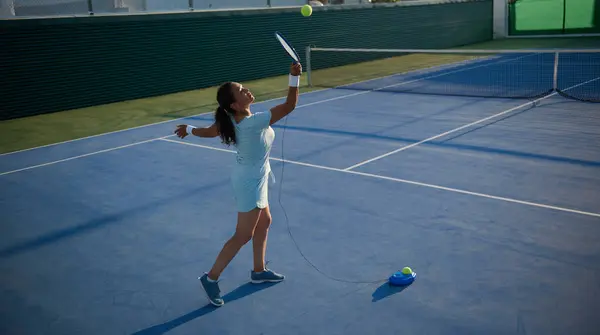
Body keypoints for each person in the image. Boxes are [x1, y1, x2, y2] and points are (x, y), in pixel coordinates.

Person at [174, 62, 302, 307]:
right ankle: (211, 278)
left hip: (257, 175)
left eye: (244, 88)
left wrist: (189, 129)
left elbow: (211, 132)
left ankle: (258, 270)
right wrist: (293, 77)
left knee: (265, 221)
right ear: (234, 105)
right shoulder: (251, 123)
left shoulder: (234, 119)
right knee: (243, 235)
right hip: (248, 182)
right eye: (241, 91)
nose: (246, 91)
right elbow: (290, 105)